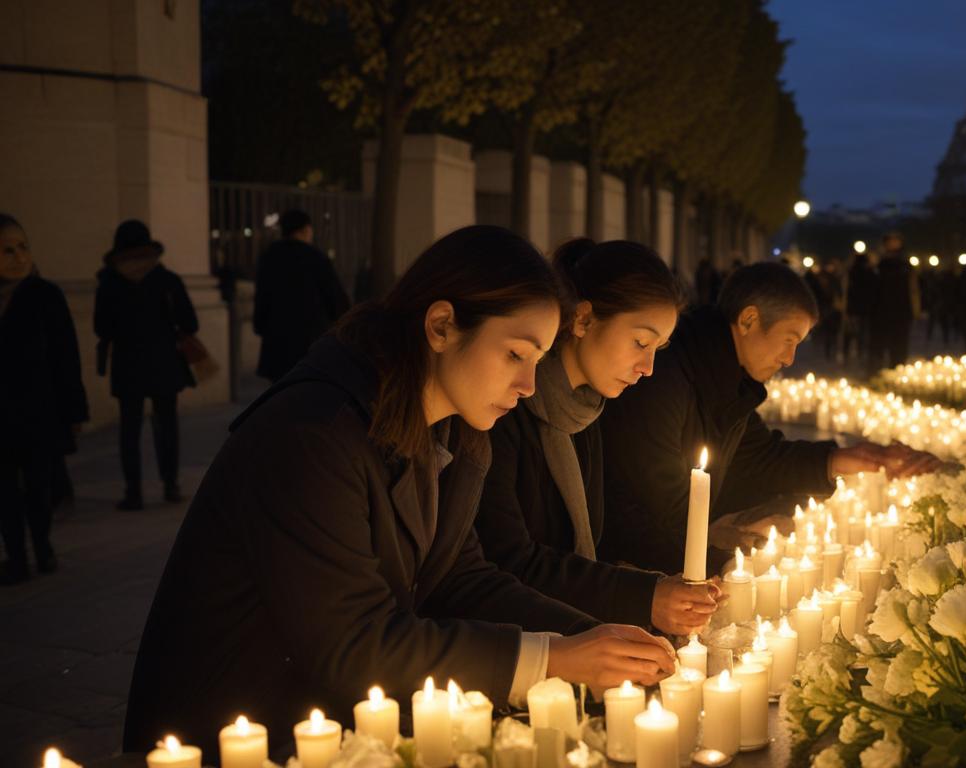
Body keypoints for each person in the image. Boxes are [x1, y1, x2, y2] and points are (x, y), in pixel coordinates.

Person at [123, 225, 676, 763]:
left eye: (538, 361)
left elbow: (462, 578)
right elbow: (354, 643)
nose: (529, 385)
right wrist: (555, 657)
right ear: (441, 325)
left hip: (342, 724)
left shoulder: (457, 433)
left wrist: (594, 638)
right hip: (235, 733)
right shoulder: (313, 435)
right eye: (515, 355)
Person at [598, 261, 944, 576]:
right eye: (789, 340)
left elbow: (757, 456)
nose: (790, 359)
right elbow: (652, 510)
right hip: (628, 568)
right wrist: (725, 554)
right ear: (749, 320)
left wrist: (840, 459)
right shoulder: (665, 378)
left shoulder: (721, 375)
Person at [476, 239, 721, 637]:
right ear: (584, 319)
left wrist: (663, 585)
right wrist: (644, 596)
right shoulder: (504, 409)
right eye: (641, 343)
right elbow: (508, 559)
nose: (648, 368)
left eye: (658, 349)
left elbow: (601, 540)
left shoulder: (586, 411)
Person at [0, 214, 89, 584]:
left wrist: (73, 412)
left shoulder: (44, 295)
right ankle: (16, 557)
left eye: (23, 247)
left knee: (39, 487)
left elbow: (66, 357)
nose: (19, 257)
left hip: (39, 413)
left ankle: (43, 548)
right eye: (6, 250)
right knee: (4, 492)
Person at [94, 220, 197, 510]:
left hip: (127, 365)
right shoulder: (167, 280)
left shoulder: (109, 282)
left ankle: (133, 491)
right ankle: (170, 485)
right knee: (167, 426)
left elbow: (101, 327)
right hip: (164, 363)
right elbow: (190, 322)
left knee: (129, 430)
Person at [253, 209, 351, 383]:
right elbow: (335, 300)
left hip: (277, 340)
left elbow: (262, 298)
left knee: (280, 396)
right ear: (305, 229)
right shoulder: (315, 258)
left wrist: (261, 326)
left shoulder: (270, 258)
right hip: (310, 341)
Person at [869, 232, 916, 373]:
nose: (893, 244)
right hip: (881, 312)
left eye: (896, 241)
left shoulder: (905, 265)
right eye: (891, 241)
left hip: (901, 311)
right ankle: (877, 373)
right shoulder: (880, 265)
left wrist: (914, 308)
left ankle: (897, 372)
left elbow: (912, 289)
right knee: (879, 346)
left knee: (899, 347)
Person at [845, 253, 877, 362]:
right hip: (866, 308)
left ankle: (849, 353)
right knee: (862, 332)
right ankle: (861, 351)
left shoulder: (852, 273)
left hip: (854, 308)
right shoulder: (870, 273)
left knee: (852, 332)